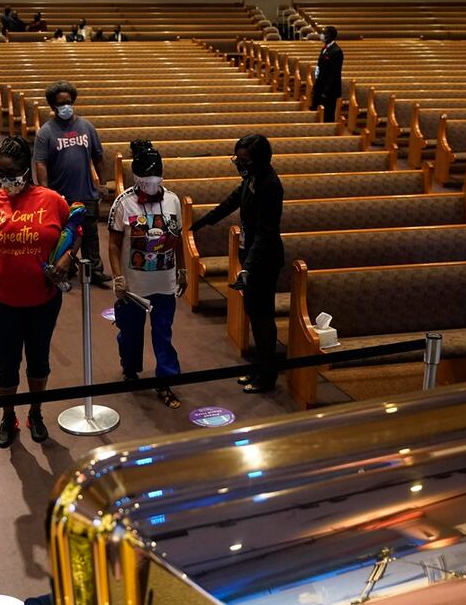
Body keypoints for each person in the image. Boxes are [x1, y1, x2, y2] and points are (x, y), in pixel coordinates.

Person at [0, 137, 78, 448]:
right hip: (2, 298)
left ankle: (36, 413)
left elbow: (72, 231)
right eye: (0, 173)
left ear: (25, 171)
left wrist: (67, 258)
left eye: (11, 173)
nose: (5, 180)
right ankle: (7, 415)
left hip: (43, 298)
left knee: (39, 359)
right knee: (7, 361)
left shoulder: (52, 200)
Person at [189, 135, 284, 393]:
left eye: (244, 160)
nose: (239, 164)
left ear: (259, 160)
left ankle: (267, 376)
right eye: (237, 159)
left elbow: (265, 233)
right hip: (251, 257)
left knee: (263, 317)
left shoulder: (269, 185)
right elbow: (232, 201)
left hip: (263, 259)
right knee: (254, 313)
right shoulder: (252, 177)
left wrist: (248, 268)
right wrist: (202, 221)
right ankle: (260, 367)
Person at [108, 141, 186, 408]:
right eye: (146, 180)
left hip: (164, 282)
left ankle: (165, 380)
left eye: (156, 180)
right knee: (130, 331)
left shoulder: (173, 200)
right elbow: (114, 243)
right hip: (133, 285)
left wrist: (183, 270)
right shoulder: (123, 203)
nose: (151, 185)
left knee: (163, 332)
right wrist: (118, 277)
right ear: (137, 179)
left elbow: (179, 239)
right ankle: (130, 368)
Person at [34, 80, 112, 285]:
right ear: (53, 107)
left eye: (69, 102)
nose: (66, 106)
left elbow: (99, 157)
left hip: (86, 191)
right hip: (61, 195)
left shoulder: (86, 126)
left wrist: (102, 183)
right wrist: (45, 191)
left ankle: (94, 270)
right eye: (61, 104)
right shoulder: (46, 132)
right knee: (63, 236)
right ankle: (66, 268)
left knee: (90, 234)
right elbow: (40, 163)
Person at [310, 26, 343, 123]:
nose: (322, 35)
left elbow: (333, 74)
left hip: (329, 90)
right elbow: (320, 68)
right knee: (315, 111)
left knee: (327, 115)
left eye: (324, 33)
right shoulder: (325, 48)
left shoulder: (336, 51)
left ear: (330, 36)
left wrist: (326, 91)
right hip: (320, 86)